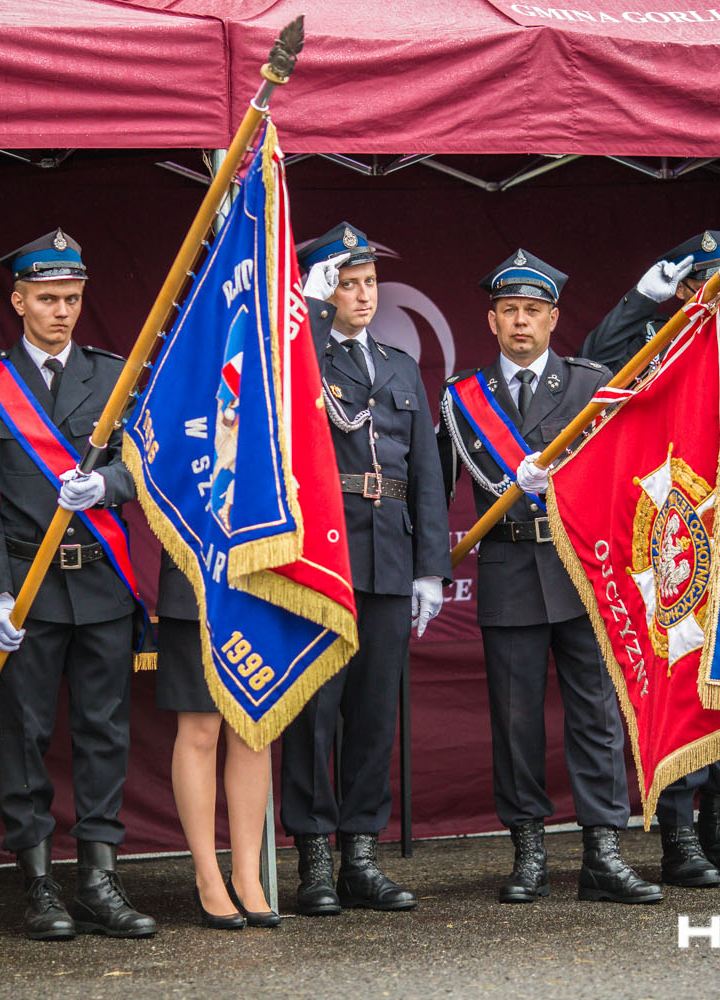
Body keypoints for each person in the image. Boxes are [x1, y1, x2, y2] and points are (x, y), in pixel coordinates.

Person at [580, 231, 720, 887]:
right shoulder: (660, 341)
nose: (719, 291)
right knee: (681, 677)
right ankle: (680, 838)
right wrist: (640, 300)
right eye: (705, 280)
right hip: (679, 535)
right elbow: (594, 361)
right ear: (683, 288)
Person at [438, 249, 660, 905]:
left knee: (597, 715)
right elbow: (432, 487)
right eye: (509, 310)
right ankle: (528, 851)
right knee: (515, 722)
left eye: (533, 311)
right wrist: (423, 569)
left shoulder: (589, 384)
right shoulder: (463, 396)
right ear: (491, 319)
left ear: (553, 318)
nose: (521, 321)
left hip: (580, 569)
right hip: (508, 568)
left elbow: (624, 476)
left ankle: (603, 851)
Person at [0, 229, 155, 940]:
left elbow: (144, 464)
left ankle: (99, 877)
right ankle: (38, 881)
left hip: (100, 581)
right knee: (26, 733)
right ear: (19, 301)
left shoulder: (111, 373)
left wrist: (108, 485)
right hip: (29, 586)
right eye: (47, 299)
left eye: (71, 298)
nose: (62, 311)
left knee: (104, 731)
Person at [281, 223, 451, 914]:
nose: (361, 294)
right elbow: (285, 391)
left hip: (387, 553)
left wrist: (429, 567)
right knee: (315, 711)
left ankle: (360, 853)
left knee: (375, 711)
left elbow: (428, 473)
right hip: (325, 554)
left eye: (369, 282)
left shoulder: (399, 364)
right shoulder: (302, 355)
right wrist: (309, 311)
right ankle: (314, 858)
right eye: (346, 284)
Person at [157, 555, 277, 929]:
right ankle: (207, 877)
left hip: (262, 573)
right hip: (194, 571)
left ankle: (247, 876)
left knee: (251, 730)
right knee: (200, 730)